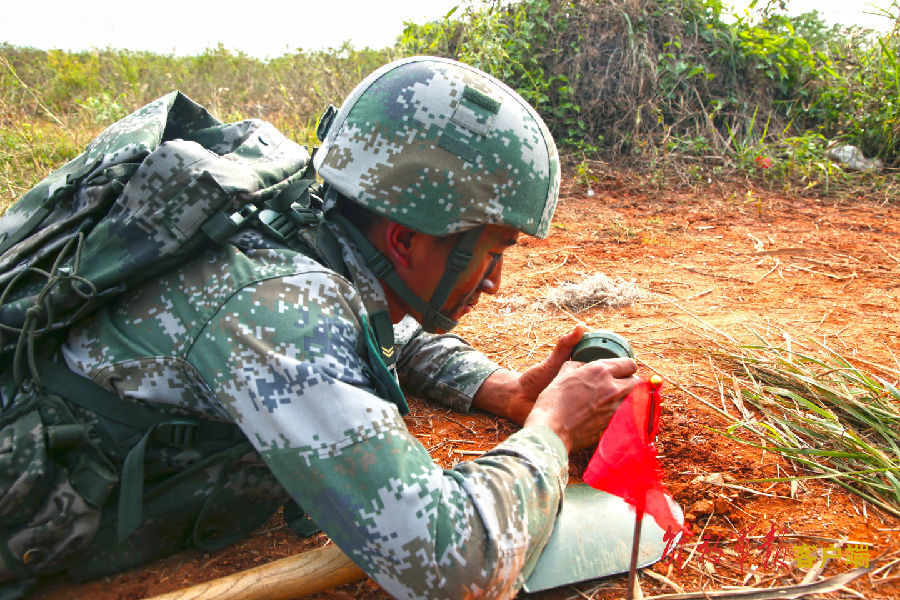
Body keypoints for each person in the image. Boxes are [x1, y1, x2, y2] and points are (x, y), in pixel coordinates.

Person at [1, 57, 638, 599]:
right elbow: (452, 566)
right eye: (492, 250)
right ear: (405, 238)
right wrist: (550, 431)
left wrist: (498, 388)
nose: (495, 281)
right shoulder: (276, 309)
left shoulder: (308, 218)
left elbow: (373, 324)